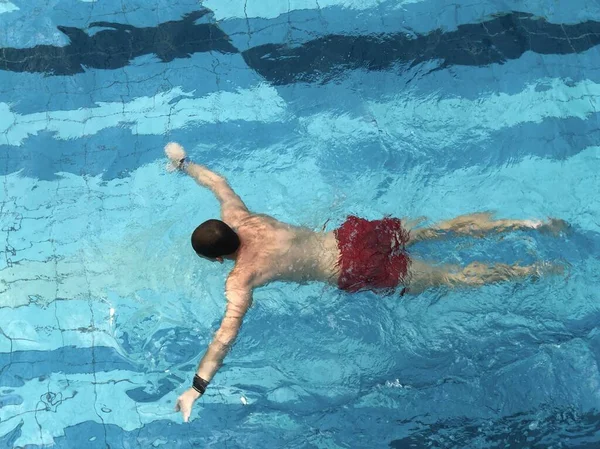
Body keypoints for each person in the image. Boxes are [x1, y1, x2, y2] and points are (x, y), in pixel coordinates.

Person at [165, 142, 567, 422]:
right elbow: (217, 182)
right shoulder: (242, 217)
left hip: (354, 271)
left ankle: (531, 271)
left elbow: (225, 336)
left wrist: (196, 388)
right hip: (353, 237)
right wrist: (184, 164)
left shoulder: (241, 277)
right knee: (443, 230)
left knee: (454, 277)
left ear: (218, 258)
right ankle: (528, 224)